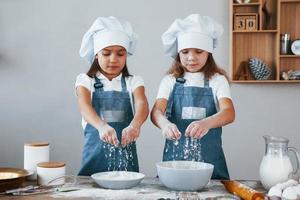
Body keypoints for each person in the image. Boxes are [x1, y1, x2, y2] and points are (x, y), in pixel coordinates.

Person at [151, 14, 235, 180]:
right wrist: (165, 124)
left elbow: (229, 112)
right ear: (178, 53)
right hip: (174, 164)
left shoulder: (217, 80)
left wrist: (206, 123)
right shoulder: (170, 81)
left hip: (211, 164)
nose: (191, 57)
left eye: (199, 51)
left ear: (208, 53)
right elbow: (156, 112)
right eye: (185, 52)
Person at [75, 16, 149, 176]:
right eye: (106, 53)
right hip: (93, 162)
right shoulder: (85, 80)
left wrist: (135, 126)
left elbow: (142, 105)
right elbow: (84, 107)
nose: (113, 59)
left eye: (120, 54)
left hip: (126, 165)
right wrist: (102, 127)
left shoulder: (133, 81)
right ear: (96, 54)